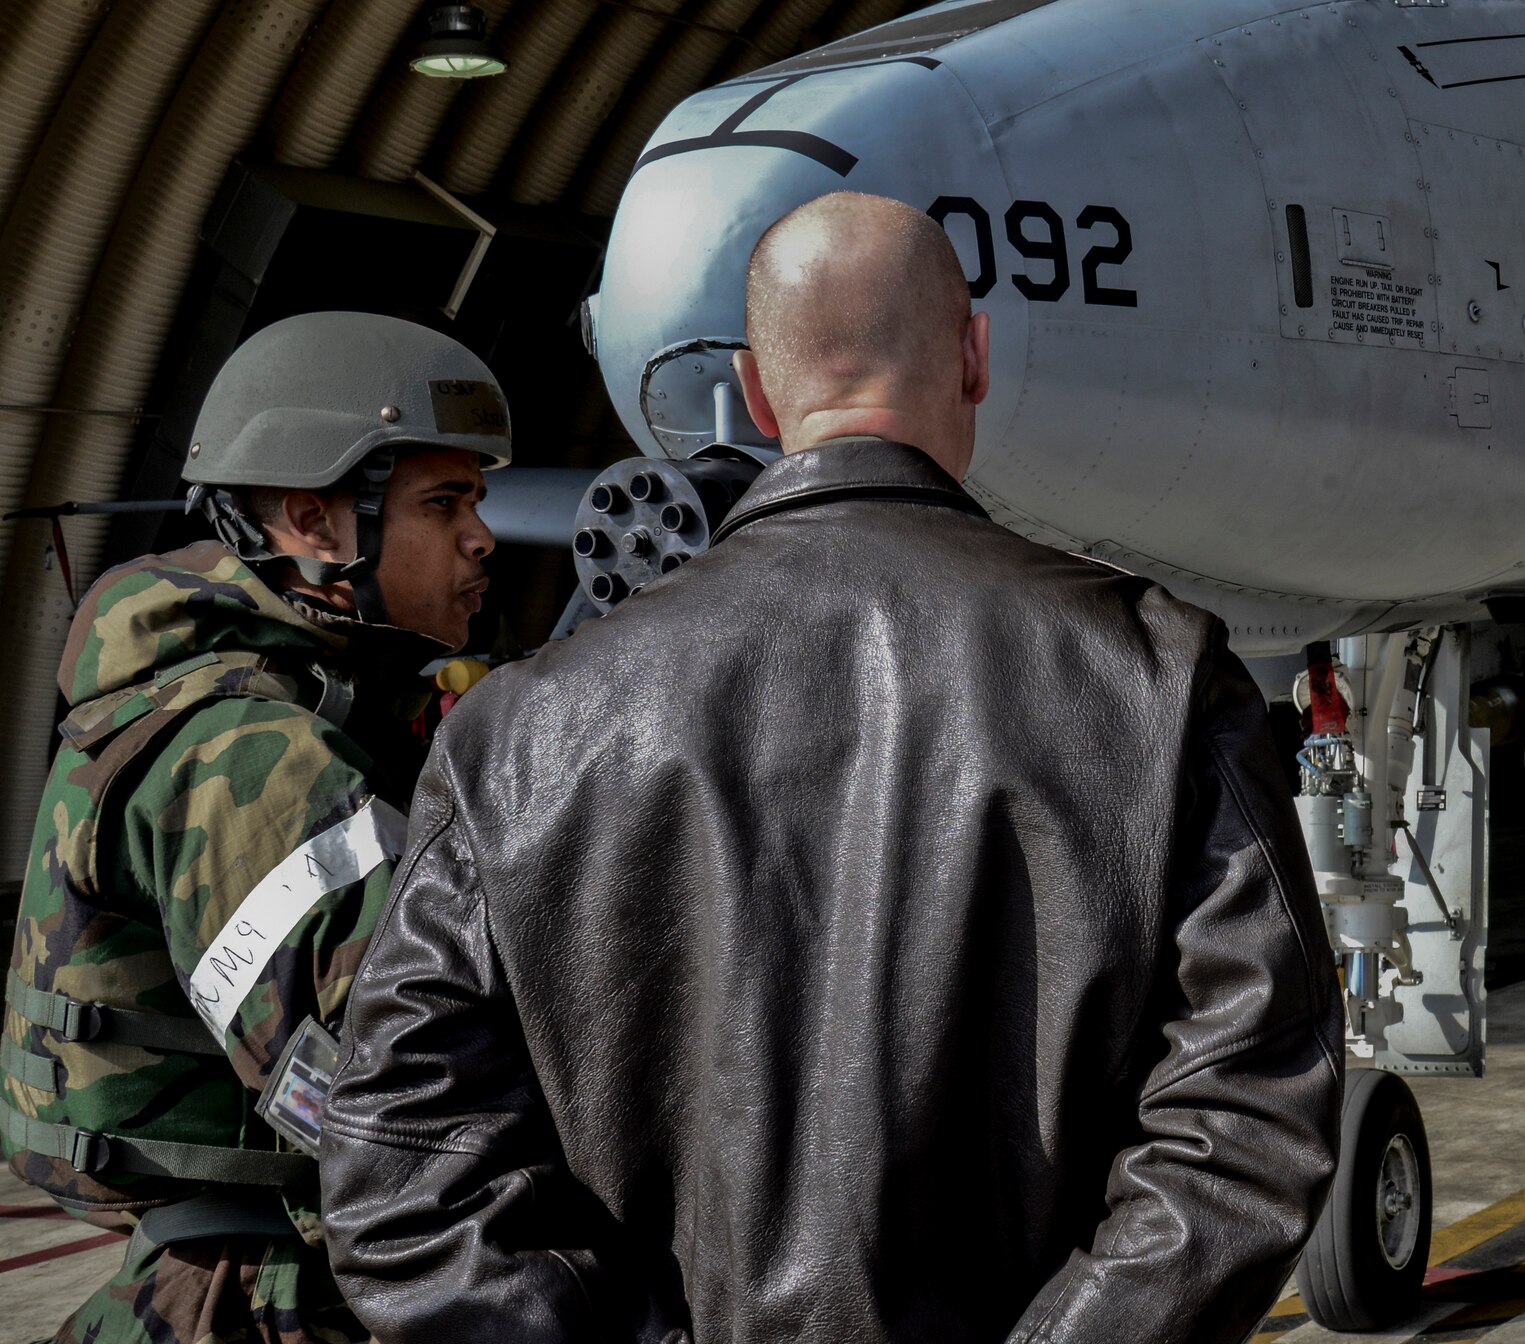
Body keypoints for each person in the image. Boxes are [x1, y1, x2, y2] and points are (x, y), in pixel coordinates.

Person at [320, 192, 1342, 1344]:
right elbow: (1248, 1100)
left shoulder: (519, 730)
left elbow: (404, 1168)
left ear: (756, 391)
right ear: (974, 356)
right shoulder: (1154, 674)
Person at [1, 311, 511, 1344]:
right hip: (266, 1296)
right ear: (315, 522)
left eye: (480, 499)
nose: (482, 535)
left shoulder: (281, 705)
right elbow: (387, 1088)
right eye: (442, 500)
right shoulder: (248, 756)